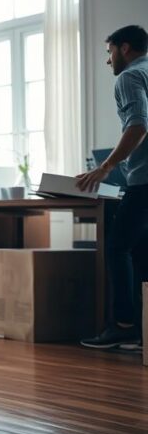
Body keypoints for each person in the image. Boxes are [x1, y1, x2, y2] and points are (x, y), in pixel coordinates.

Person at [77, 24, 148, 351]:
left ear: (125, 48)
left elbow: (138, 124)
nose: (108, 61)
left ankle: (123, 325)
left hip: (144, 180)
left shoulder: (130, 77)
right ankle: (141, 328)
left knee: (117, 247)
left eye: (109, 52)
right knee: (140, 251)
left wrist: (106, 167)